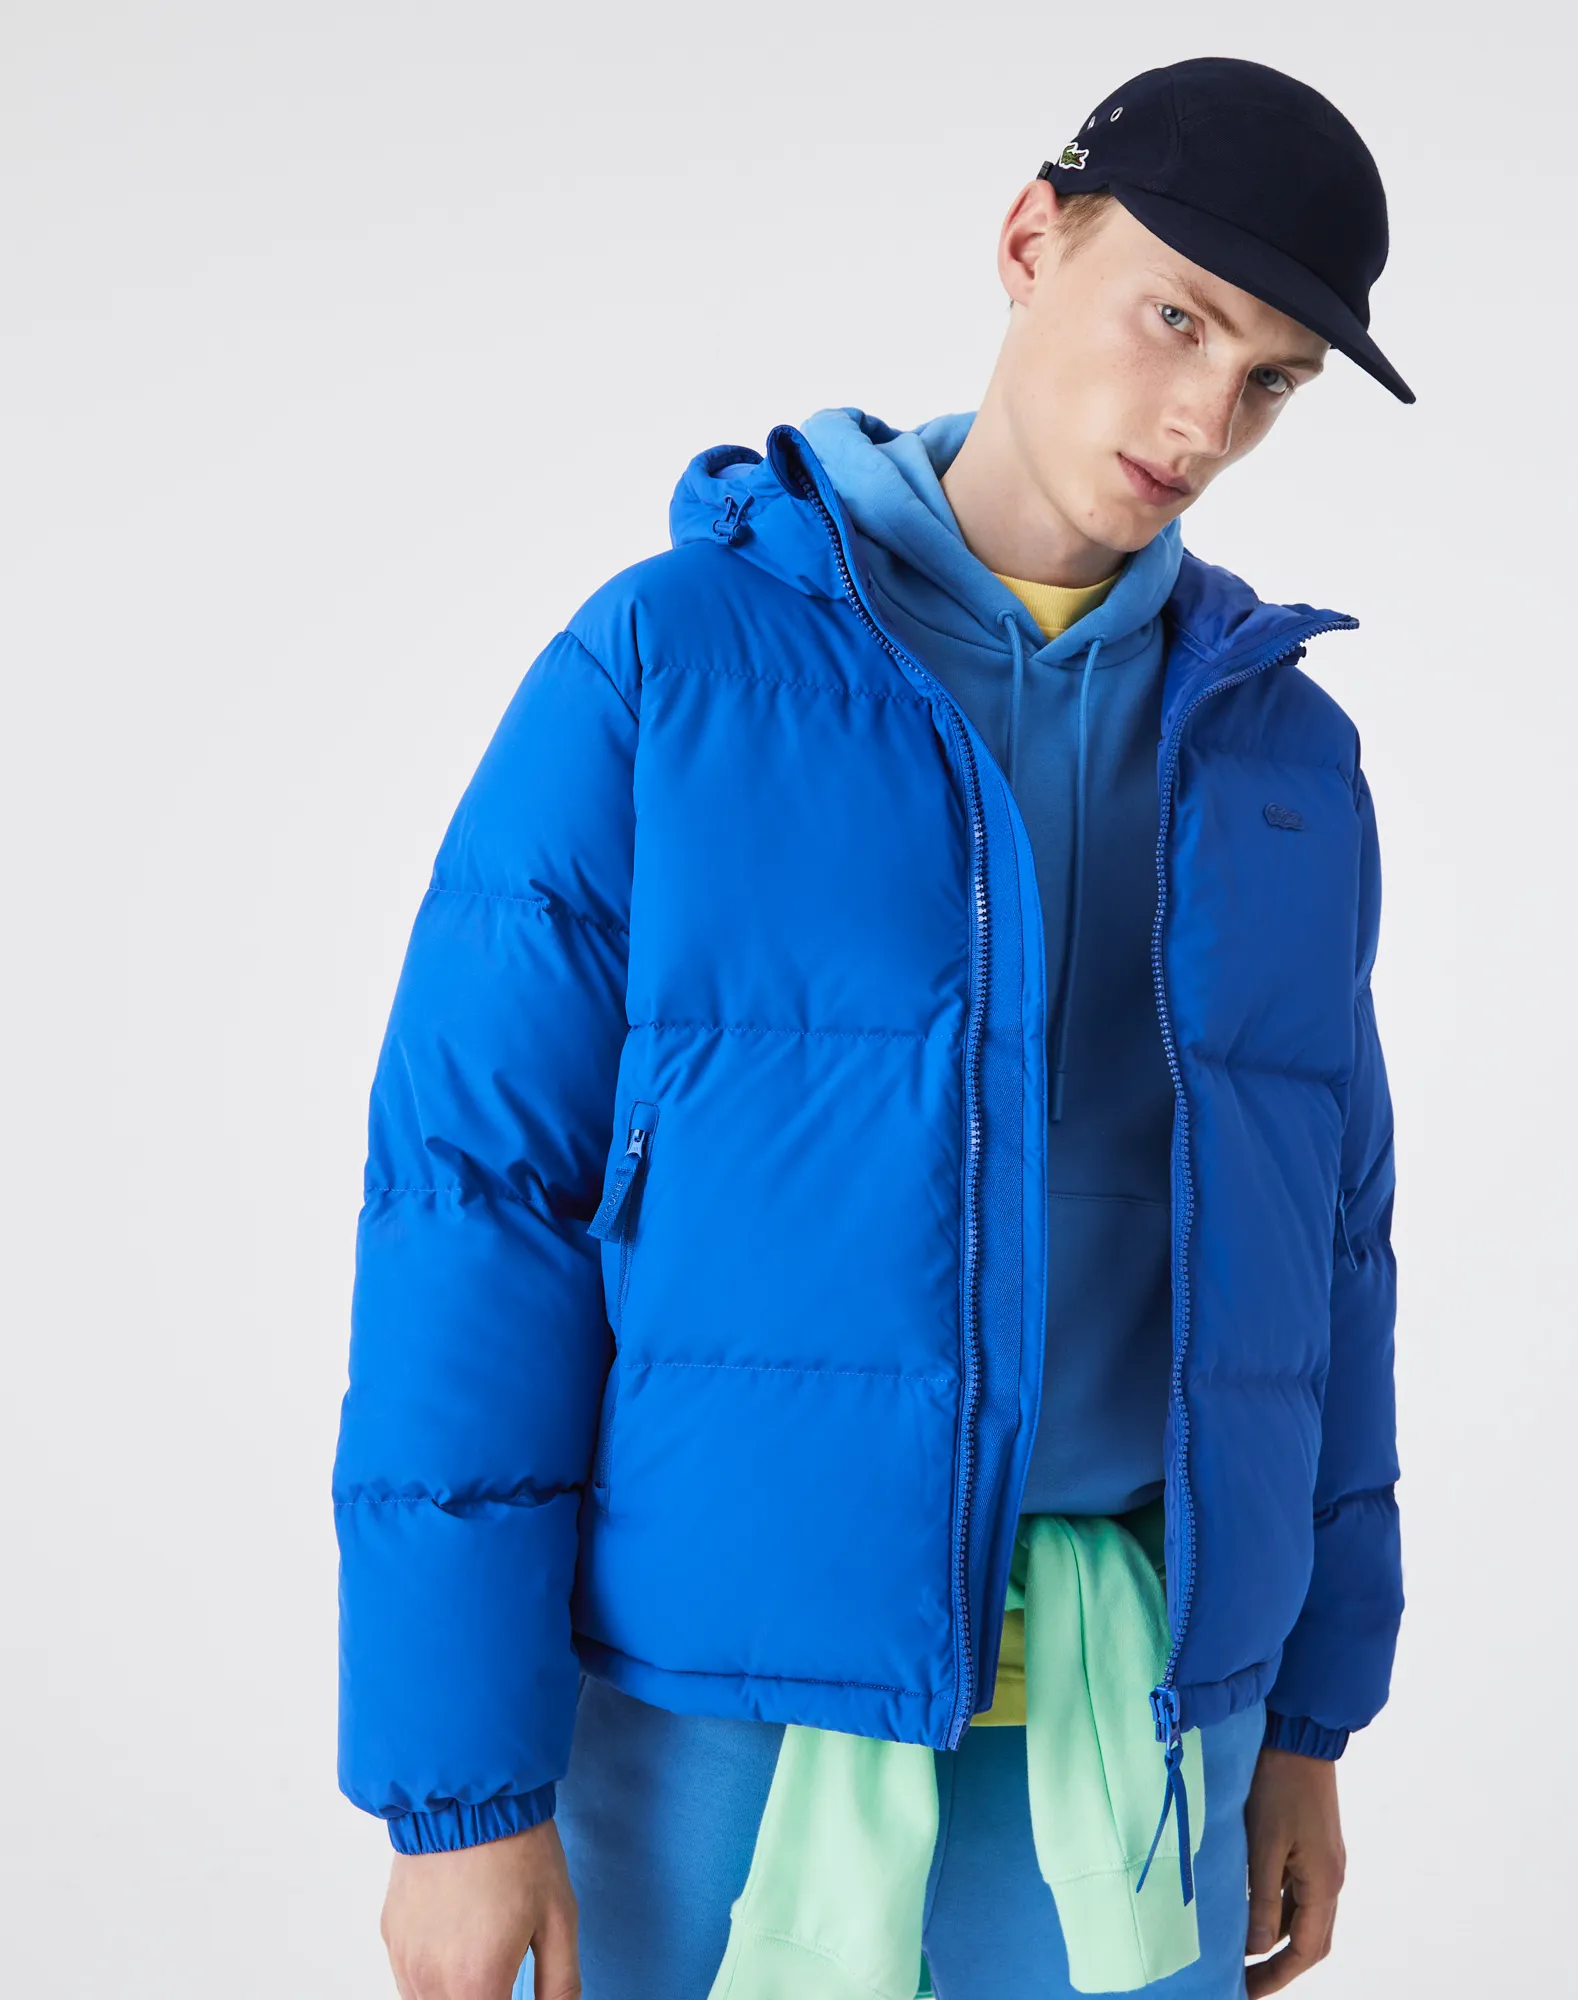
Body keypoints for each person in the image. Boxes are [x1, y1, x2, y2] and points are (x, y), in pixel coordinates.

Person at [334, 54, 1410, 2000]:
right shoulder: (671, 664)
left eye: (1271, 380)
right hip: (718, 1724)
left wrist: (1310, 1721)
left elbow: (1332, 1252)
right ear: (1030, 240)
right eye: (1177, 318)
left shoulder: (1281, 757)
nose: (1203, 418)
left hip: (1139, 1737)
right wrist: (459, 1792)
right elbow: (473, 1208)